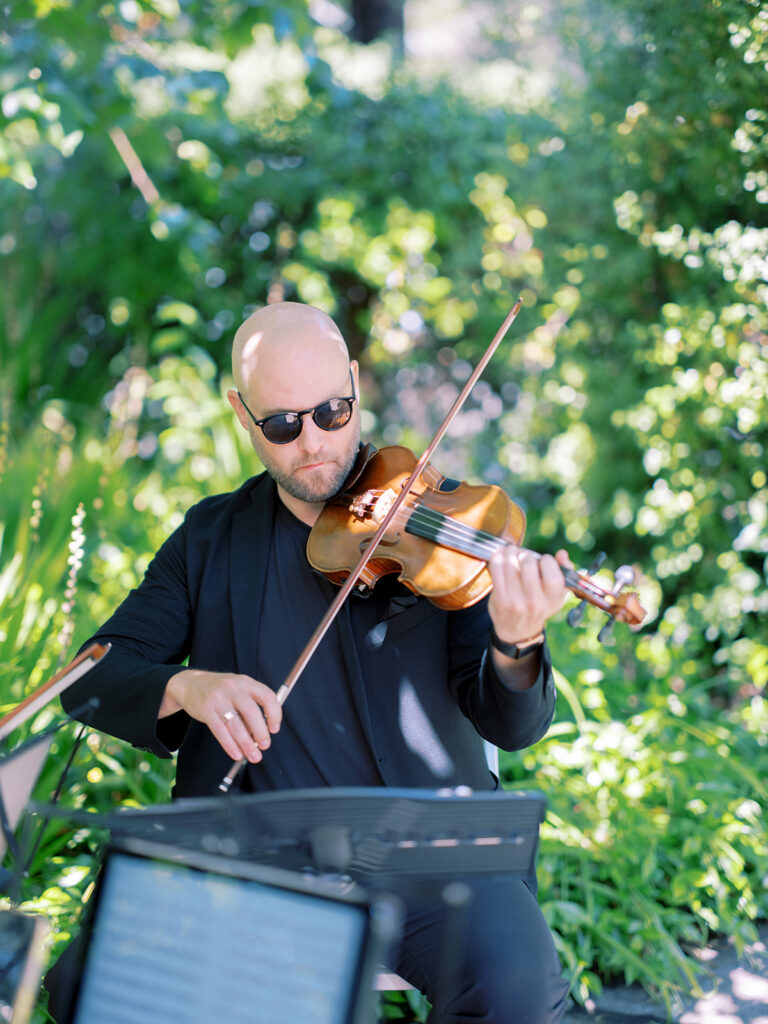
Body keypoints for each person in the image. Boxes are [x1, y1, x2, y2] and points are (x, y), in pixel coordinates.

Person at [61, 301, 571, 1022]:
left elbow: (512, 724)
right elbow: (91, 675)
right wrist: (187, 686)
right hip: (250, 860)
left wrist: (517, 642)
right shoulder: (209, 539)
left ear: (355, 383)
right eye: (282, 424)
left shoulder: (444, 529)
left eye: (333, 412)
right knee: (91, 979)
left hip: (432, 855)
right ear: (242, 415)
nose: (314, 444)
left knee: (517, 987)